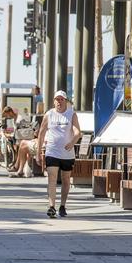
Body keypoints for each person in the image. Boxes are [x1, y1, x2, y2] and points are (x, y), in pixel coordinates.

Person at [36, 90, 81, 218]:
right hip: (52, 151)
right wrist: (38, 153)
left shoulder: (71, 114)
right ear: (54, 101)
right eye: (57, 99)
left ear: (66, 101)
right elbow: (41, 134)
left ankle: (62, 205)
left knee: (66, 179)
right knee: (52, 178)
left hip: (67, 153)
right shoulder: (49, 114)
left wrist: (72, 142)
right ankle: (51, 206)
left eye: (62, 99)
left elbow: (78, 132)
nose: (59, 102)